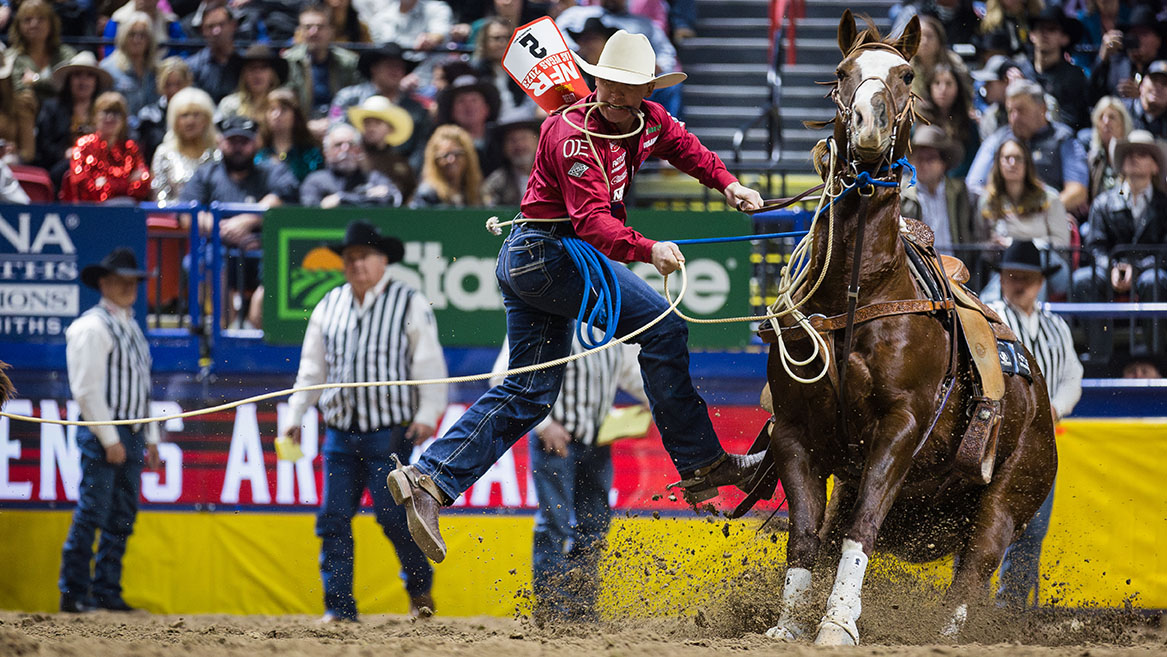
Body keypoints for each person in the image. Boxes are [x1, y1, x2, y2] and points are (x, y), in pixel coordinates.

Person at [385, 30, 767, 564]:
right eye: (608, 82)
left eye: (627, 86)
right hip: (548, 255)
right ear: (596, 80)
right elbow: (593, 225)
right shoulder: (569, 134)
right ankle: (703, 463)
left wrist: (728, 184)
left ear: (645, 92)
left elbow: (686, 148)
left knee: (529, 393)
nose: (613, 93)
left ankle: (429, 479)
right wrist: (649, 248)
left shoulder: (650, 120)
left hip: (535, 261)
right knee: (664, 326)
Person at [285, 219, 447, 622]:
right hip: (339, 432)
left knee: (394, 517)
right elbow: (312, 368)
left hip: (388, 433)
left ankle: (418, 586)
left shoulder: (408, 302)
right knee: (333, 519)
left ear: (383, 261)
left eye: (364, 257)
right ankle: (339, 608)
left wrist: (428, 413)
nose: (357, 265)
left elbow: (428, 362)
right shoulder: (329, 305)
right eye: (350, 258)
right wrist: (295, 413)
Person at [490, 333, 646, 620]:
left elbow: (630, 372)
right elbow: (504, 376)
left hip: (597, 440)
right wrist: (544, 424)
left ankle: (580, 610)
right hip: (554, 440)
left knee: (594, 526)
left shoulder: (613, 323)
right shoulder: (544, 316)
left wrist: (657, 397)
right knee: (555, 524)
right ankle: (550, 610)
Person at [59, 247, 163, 613]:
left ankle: (105, 590)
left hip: (130, 432)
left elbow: (141, 386)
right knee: (93, 511)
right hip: (106, 432)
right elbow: (86, 390)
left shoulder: (129, 326)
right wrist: (109, 438)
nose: (127, 287)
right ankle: (74, 593)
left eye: (131, 281)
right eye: (120, 280)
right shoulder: (92, 326)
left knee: (121, 514)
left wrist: (149, 437)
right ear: (103, 283)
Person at [990, 240, 1083, 609]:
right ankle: (969, 607)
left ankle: (1007, 611)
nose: (1018, 284)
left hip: (1040, 446)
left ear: (1040, 282)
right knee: (979, 526)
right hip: (995, 440)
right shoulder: (990, 317)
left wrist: (1054, 410)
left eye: (1026, 278)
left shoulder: (1056, 326)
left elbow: (1074, 376)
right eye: (1012, 276)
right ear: (1000, 280)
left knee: (1034, 530)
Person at [179, 115, 299, 328]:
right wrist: (219, 227)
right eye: (232, 141)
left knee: (284, 258)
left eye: (244, 142)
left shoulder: (271, 170)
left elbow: (285, 195)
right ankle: (224, 330)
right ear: (220, 142)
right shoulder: (207, 173)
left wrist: (248, 220)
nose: (238, 147)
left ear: (257, 143)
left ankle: (261, 325)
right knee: (199, 260)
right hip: (219, 251)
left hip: (261, 250)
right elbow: (188, 214)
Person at [1072, 129, 1167, 357]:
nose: (1134, 157)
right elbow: (1095, 246)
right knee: (1084, 279)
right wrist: (1112, 268)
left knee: (1155, 279)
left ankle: (1157, 358)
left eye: (1143, 154)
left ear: (1155, 166)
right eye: (1129, 153)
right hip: (1112, 272)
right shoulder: (1104, 203)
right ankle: (1099, 355)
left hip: (1150, 272)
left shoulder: (1164, 205)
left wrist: (1137, 269)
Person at [966, 79, 1090, 214]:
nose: (1014, 117)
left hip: (1047, 218)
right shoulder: (998, 139)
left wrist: (1037, 214)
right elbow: (974, 185)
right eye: (1010, 111)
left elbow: (1077, 192)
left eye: (1021, 110)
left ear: (1042, 108)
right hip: (1004, 219)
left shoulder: (1063, 139)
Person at [977, 137, 1072, 302]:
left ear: (1027, 163)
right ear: (998, 163)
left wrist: (1020, 246)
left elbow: (1061, 240)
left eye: (1018, 158)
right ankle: (992, 306)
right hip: (1008, 268)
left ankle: (1025, 315)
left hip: (1051, 268)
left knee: (1031, 263)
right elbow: (982, 244)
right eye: (1006, 158)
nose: (1012, 163)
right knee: (1009, 267)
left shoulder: (1049, 198)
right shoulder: (988, 201)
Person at [331, 43, 432, 170]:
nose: (396, 71)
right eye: (390, 65)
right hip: (352, 170)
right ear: (374, 68)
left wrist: (405, 175)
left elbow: (420, 150)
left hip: (400, 174)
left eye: (400, 67)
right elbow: (335, 131)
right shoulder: (349, 98)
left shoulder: (417, 110)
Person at [34, 51, 112, 187]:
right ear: (68, 80)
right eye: (77, 75)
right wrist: (64, 153)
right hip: (63, 165)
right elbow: (43, 145)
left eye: (89, 76)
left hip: (101, 164)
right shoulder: (52, 108)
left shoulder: (105, 110)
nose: (83, 81)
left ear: (96, 82)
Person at [60, 91, 152, 203]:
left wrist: (107, 184)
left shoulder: (130, 148)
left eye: (116, 113)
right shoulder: (84, 146)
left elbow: (144, 184)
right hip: (90, 212)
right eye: (106, 111)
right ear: (95, 116)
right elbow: (84, 189)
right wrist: (127, 182)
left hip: (125, 209)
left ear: (123, 120)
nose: (110, 117)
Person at [900, 125, 980, 254]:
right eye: (919, 158)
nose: (924, 164)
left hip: (955, 265)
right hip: (918, 267)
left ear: (943, 163)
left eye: (930, 158)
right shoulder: (902, 193)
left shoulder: (960, 191)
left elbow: (973, 232)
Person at [284, 3, 361, 131]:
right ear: (300, 31)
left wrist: (333, 122)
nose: (313, 32)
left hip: (340, 128)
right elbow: (283, 101)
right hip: (299, 131)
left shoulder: (349, 62)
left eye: (320, 27)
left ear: (331, 31)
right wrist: (305, 126)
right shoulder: (288, 62)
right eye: (307, 27)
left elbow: (358, 100)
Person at [301, 123, 403, 207]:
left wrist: (341, 198)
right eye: (338, 145)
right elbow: (311, 209)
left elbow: (392, 198)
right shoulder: (315, 181)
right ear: (326, 153)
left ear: (359, 151)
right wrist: (367, 196)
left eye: (351, 144)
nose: (345, 149)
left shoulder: (374, 178)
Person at [150, 86, 217, 205]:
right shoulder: (164, 153)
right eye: (184, 115)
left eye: (196, 115)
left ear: (206, 120)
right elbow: (160, 197)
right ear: (175, 121)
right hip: (174, 218)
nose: (190, 121)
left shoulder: (217, 153)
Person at [5, 0, 78, 107]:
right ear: (18, 25)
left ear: (51, 23)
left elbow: (68, 85)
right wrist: (50, 84)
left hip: (62, 113)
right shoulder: (10, 57)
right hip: (23, 114)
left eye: (41, 19)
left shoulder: (66, 53)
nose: (34, 24)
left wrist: (36, 80)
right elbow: (19, 91)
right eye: (27, 20)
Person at [1088, 5, 1166, 104]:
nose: (1137, 39)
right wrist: (1102, 58)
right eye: (1133, 34)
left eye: (1144, 34)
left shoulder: (1163, 68)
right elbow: (1091, 96)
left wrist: (1142, 96)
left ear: (1158, 40)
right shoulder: (1116, 64)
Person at [1030, 6, 1090, 133]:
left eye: (1051, 29)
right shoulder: (1022, 69)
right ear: (1032, 35)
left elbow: (1071, 122)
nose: (1045, 34)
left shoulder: (1074, 76)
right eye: (1040, 28)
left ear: (1064, 38)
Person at [348, 94, 417, 202]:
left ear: (390, 128)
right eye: (367, 123)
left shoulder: (400, 163)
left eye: (377, 123)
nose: (371, 128)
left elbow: (410, 194)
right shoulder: (354, 157)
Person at [918, 60, 978, 177]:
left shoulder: (968, 123)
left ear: (957, 88)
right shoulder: (920, 120)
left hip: (957, 183)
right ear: (930, 87)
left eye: (949, 84)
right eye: (937, 83)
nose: (943, 89)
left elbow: (972, 160)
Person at [98, 11, 160, 119]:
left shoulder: (156, 70)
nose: (137, 40)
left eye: (142, 35)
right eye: (132, 34)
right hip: (120, 131)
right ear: (123, 37)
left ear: (150, 40)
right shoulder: (108, 68)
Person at [255, 88, 324, 183]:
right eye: (272, 109)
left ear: (295, 115)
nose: (276, 115)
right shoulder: (257, 152)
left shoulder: (310, 153)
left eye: (283, 109)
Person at [433, 74, 500, 172]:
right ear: (451, 111)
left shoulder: (502, 139)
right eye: (461, 101)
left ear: (487, 108)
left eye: (474, 100)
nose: (468, 106)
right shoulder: (443, 144)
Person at [135, 55, 192, 166]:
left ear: (187, 83)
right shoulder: (148, 116)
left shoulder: (199, 114)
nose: (173, 89)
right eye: (168, 84)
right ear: (159, 84)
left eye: (178, 84)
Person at [410, 124, 483, 208]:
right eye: (445, 155)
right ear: (435, 160)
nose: (451, 160)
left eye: (457, 154)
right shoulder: (427, 194)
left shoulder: (474, 192)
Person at [217, 44, 288, 124]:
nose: (257, 73)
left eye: (263, 68)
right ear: (243, 75)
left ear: (273, 75)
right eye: (251, 68)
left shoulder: (283, 107)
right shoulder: (229, 105)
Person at [185, 4, 242, 104]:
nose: (216, 31)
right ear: (202, 30)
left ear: (233, 25)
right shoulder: (192, 67)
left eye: (221, 24)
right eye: (210, 26)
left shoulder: (245, 63)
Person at [1084, 95, 1132, 204]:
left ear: (1123, 124)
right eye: (1101, 117)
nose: (1106, 122)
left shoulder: (1132, 156)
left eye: (1112, 117)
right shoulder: (1092, 159)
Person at [481, 118, 540, 207]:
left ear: (537, 141)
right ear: (503, 147)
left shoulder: (551, 176)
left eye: (524, 138)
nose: (519, 145)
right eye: (512, 140)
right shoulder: (495, 184)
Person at [357, 0, 453, 49]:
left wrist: (430, 39)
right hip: (393, 73)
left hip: (429, 74)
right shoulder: (380, 18)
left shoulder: (437, 9)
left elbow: (440, 33)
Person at [1122, 60, 1167, 139]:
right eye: (1154, 80)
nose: (1158, 87)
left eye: (1165, 83)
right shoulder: (1121, 111)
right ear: (1142, 84)